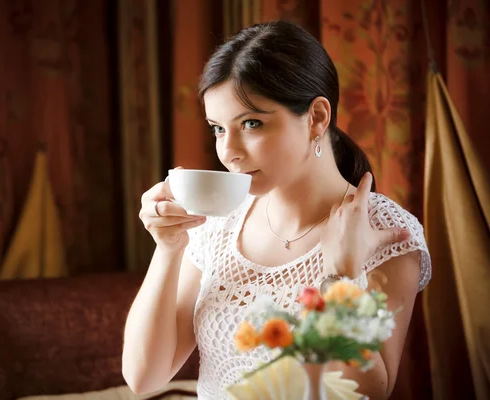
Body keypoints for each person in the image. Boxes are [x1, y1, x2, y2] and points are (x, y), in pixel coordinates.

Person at [122, 20, 431, 400]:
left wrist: (343, 276)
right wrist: (168, 247)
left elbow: (367, 392)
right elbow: (143, 377)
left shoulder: (385, 231)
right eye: (218, 129)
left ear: (317, 117)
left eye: (251, 124)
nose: (228, 151)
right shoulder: (218, 224)